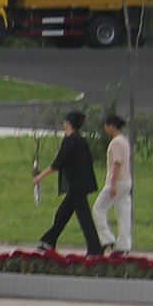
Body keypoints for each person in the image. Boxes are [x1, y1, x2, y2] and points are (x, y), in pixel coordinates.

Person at [33, 109, 103, 254]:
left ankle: (95, 249)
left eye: (65, 122)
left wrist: (40, 177)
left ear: (69, 124)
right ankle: (49, 242)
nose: (64, 124)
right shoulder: (81, 141)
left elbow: (58, 163)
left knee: (84, 217)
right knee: (63, 214)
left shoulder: (70, 141)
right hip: (81, 184)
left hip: (76, 186)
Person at [93, 112, 133, 253]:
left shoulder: (115, 142)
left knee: (99, 209)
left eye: (106, 126)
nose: (105, 129)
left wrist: (113, 184)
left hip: (117, 181)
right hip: (127, 181)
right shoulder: (124, 140)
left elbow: (117, 163)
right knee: (123, 213)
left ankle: (107, 238)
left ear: (112, 126)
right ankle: (124, 245)